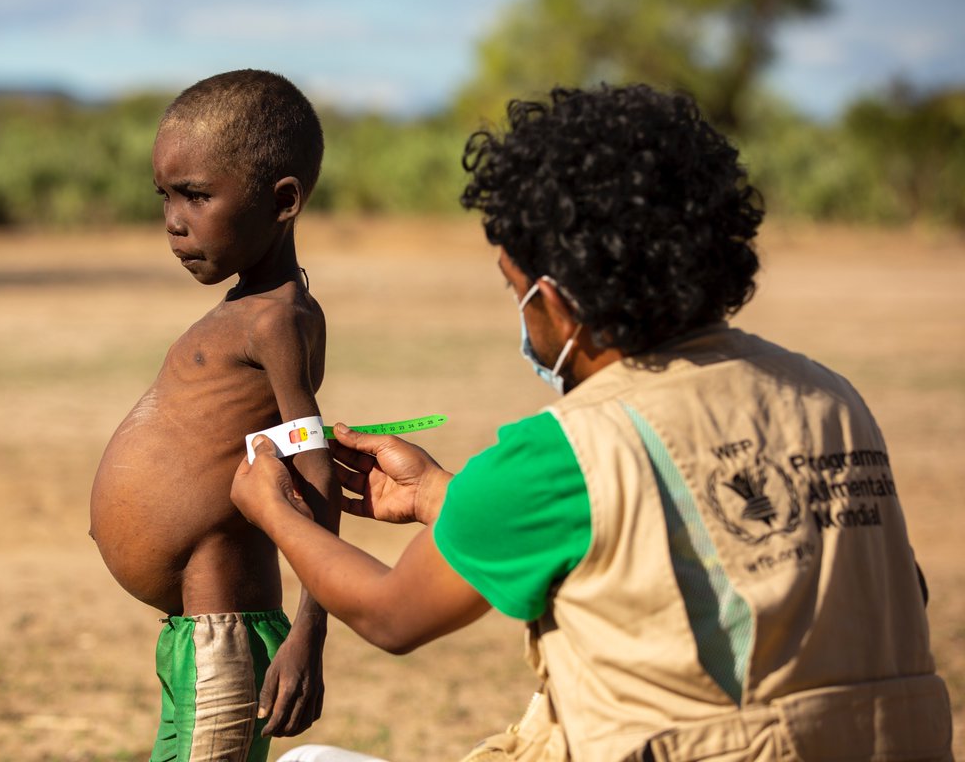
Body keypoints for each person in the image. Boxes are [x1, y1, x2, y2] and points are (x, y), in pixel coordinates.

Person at [231, 84, 954, 761]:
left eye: (514, 290)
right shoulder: (827, 396)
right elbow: (875, 584)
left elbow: (392, 615)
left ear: (553, 298)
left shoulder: (561, 451)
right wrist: (436, 497)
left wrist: (276, 513)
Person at [89, 69, 339, 762]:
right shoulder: (242, 312)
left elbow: (317, 476)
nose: (174, 222)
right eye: (165, 197)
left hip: (223, 630)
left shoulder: (277, 322)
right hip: (190, 635)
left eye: (196, 196)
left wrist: (308, 636)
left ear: (282, 200)